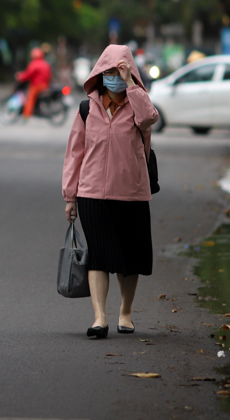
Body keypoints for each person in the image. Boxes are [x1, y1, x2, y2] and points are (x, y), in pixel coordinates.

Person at [61, 44, 159, 339]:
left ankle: (125, 313)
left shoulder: (138, 105)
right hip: (92, 195)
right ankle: (99, 318)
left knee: (129, 261)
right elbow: (74, 154)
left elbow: (149, 118)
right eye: (109, 72)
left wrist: (131, 84)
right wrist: (70, 196)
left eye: (119, 70)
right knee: (100, 257)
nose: (113, 77)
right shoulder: (86, 109)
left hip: (131, 194)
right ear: (99, 74)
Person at [16, 47, 52, 121]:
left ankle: (26, 116)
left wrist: (20, 76)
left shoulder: (33, 64)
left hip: (36, 86)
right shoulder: (45, 64)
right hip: (45, 85)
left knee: (30, 99)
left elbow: (28, 75)